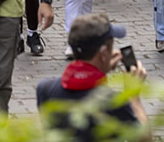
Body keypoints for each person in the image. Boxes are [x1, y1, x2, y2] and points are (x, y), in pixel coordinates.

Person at [36, 13, 150, 141]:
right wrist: (133, 97)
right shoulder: (113, 101)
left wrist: (101, 70)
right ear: (102, 54)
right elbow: (143, 138)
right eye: (110, 48)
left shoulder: (45, 89)